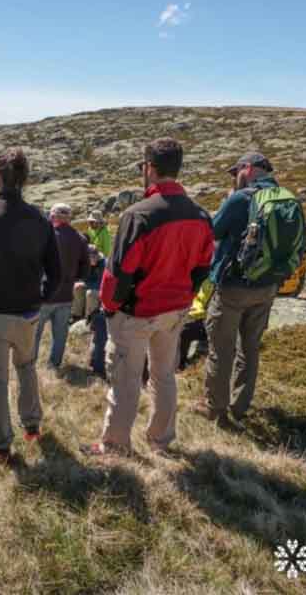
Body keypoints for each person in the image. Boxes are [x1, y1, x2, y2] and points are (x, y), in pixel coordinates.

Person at [82, 138, 214, 457]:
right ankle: (161, 439)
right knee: (164, 376)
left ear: (151, 169)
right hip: (176, 311)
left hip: (136, 313)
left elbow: (118, 273)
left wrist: (110, 307)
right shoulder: (201, 215)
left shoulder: (138, 215)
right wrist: (185, 297)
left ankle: (115, 445)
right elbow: (203, 266)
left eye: (144, 167)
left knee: (126, 381)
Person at [0, 147, 62, 463]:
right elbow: (56, 271)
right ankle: (32, 426)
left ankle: (3, 445)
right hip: (29, 313)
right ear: (25, 178)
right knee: (27, 366)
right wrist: (40, 299)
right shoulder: (40, 220)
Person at [196, 153, 306, 428]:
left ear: (247, 169)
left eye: (236, 172)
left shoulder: (241, 198)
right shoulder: (288, 198)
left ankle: (216, 409)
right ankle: (239, 405)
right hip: (269, 286)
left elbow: (213, 232)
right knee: (249, 348)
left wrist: (226, 202)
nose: (235, 178)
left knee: (221, 349)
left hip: (234, 286)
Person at [34, 203, 89, 368]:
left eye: (50, 215)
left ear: (54, 216)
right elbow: (85, 268)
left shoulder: (45, 236)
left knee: (35, 334)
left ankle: (31, 365)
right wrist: (72, 278)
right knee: (60, 335)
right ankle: (54, 364)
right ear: (68, 218)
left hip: (44, 294)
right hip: (65, 294)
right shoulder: (79, 238)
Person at [179, 279, 213, 370]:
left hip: (209, 320)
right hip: (197, 315)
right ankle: (180, 363)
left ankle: (181, 363)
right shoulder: (207, 279)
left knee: (185, 331)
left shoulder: (217, 281)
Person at [72, 244, 105, 321]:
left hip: (102, 290)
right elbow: (84, 277)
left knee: (90, 293)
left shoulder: (104, 264)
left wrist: (87, 284)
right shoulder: (86, 263)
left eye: (93, 257)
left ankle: (89, 318)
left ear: (97, 255)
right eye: (89, 258)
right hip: (91, 285)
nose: (92, 259)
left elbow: (102, 283)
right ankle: (77, 315)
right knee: (77, 287)